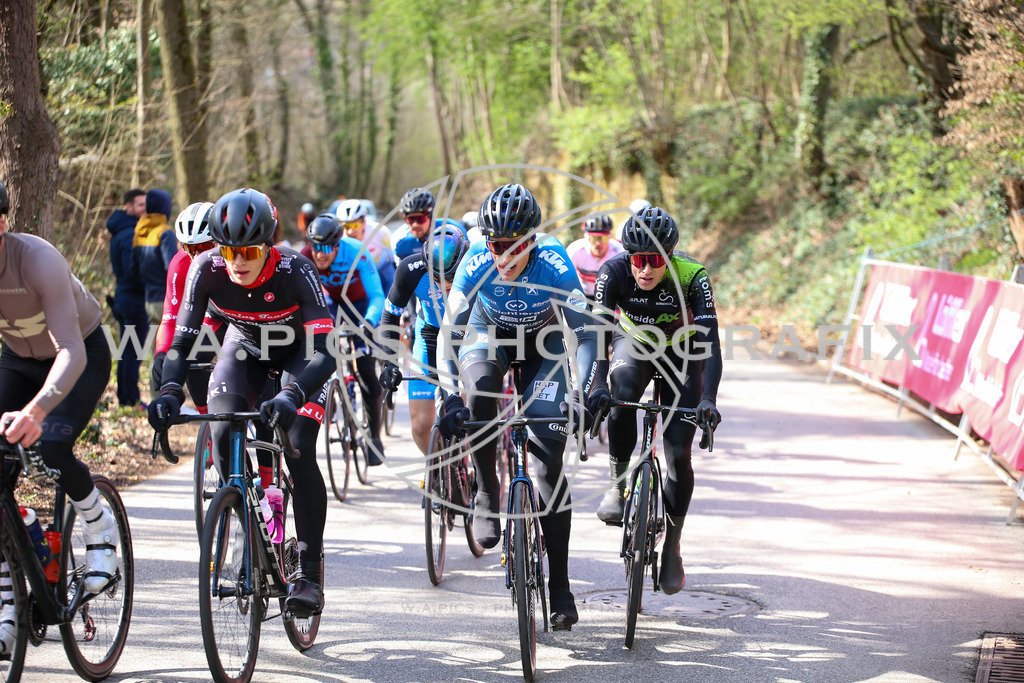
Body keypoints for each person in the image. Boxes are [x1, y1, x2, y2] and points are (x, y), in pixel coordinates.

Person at [148, 188, 334, 617]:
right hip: (245, 345)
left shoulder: (296, 270)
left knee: (299, 441)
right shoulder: (206, 268)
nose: (238, 261)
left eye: (249, 250)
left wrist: (292, 394)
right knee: (221, 427)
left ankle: (308, 573)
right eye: (230, 250)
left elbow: (325, 353)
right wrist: (169, 391)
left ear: (268, 245)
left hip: (299, 351)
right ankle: (248, 516)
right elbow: (183, 340)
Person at [438, 183, 600, 630]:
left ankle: (561, 586)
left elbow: (586, 334)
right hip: (487, 333)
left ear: (533, 241)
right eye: (497, 246)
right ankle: (488, 489)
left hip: (543, 344)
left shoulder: (555, 265)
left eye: (516, 247)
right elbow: (448, 334)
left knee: (548, 467)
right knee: (480, 397)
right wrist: (449, 393)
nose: (504, 257)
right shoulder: (474, 263)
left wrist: (584, 392)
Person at [0, 179, 124, 655]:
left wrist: (36, 409)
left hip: (81, 352)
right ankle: (14, 587)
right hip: (16, 360)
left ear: (4, 222)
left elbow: (70, 350)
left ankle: (98, 525)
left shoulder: (36, 259)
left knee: (49, 445)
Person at [590, 206, 722, 595]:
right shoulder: (612, 272)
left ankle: (673, 548)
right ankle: (617, 483)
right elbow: (598, 332)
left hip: (682, 352)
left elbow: (710, 343)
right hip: (634, 343)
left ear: (670, 257)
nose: (645, 270)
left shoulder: (692, 276)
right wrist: (598, 383)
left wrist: (709, 399)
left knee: (679, 451)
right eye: (638, 260)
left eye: (655, 261)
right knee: (622, 394)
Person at [300, 214, 387, 464]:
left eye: (326, 248)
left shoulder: (356, 252)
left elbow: (377, 294)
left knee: (367, 371)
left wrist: (369, 323)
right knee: (316, 353)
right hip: (331, 305)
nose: (320, 254)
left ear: (338, 244)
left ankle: (374, 436)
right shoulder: (305, 256)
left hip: (361, 306)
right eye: (315, 247)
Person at [377, 226, 470, 455]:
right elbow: (390, 316)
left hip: (467, 337)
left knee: (468, 419)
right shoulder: (410, 269)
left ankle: (474, 465)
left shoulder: (477, 266)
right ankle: (440, 475)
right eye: (438, 277)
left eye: (452, 275)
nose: (446, 283)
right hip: (430, 334)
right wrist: (389, 362)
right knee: (420, 428)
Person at [150, 202, 219, 411]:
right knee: (192, 352)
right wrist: (162, 353)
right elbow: (170, 318)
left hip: (236, 316)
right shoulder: (180, 263)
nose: (198, 256)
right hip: (207, 316)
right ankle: (208, 422)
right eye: (191, 248)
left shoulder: (236, 259)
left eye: (205, 247)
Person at [106, 188, 149, 408]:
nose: (145, 209)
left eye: (146, 205)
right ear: (128, 206)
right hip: (133, 301)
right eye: (140, 205)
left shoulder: (121, 230)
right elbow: (133, 270)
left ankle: (125, 397)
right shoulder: (131, 233)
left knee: (127, 350)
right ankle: (130, 399)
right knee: (133, 351)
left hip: (124, 297)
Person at [336, 198, 397, 295]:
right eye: (346, 226)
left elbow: (395, 260)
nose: (351, 231)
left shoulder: (380, 232)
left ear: (364, 222)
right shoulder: (338, 239)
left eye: (355, 225)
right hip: (361, 275)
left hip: (383, 271)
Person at [566, 213, 624, 298]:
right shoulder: (575, 250)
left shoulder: (619, 252)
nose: (598, 243)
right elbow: (564, 280)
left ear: (609, 237)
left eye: (602, 238)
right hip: (582, 296)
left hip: (609, 296)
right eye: (594, 238)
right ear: (586, 237)